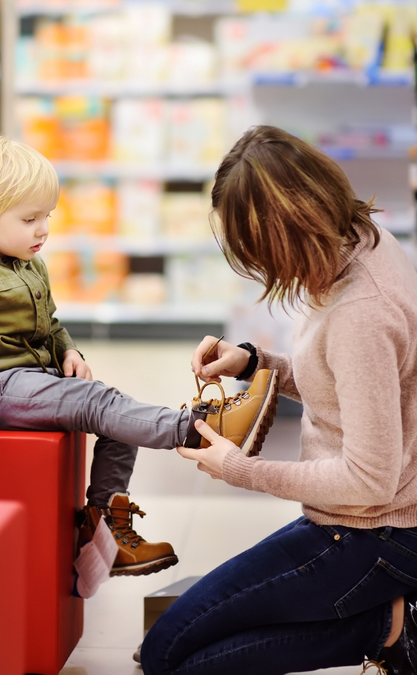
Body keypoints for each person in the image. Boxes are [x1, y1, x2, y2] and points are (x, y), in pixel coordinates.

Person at [0, 134, 278, 581]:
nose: (43, 230)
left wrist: (68, 350)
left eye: (47, 217)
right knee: (99, 405)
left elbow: (49, 323)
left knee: (116, 417)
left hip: (27, 380)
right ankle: (198, 428)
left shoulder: (25, 262)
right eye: (30, 218)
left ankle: (105, 530)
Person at [140, 125, 417, 675]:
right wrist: (255, 363)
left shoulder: (361, 312)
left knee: (171, 658)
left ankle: (392, 627)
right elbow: (345, 387)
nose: (261, 267)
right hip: (357, 521)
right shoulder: (360, 239)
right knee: (165, 649)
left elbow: (369, 480)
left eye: (257, 250)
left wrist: (240, 469)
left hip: (375, 534)